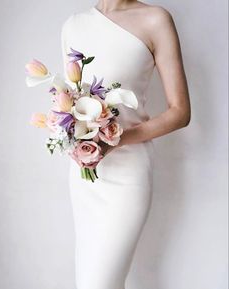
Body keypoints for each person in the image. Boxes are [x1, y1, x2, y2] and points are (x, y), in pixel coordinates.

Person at [61, 1, 191, 288]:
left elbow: (180, 112)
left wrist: (116, 139)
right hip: (85, 176)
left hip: (128, 177)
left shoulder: (155, 19)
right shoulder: (73, 24)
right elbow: (71, 101)